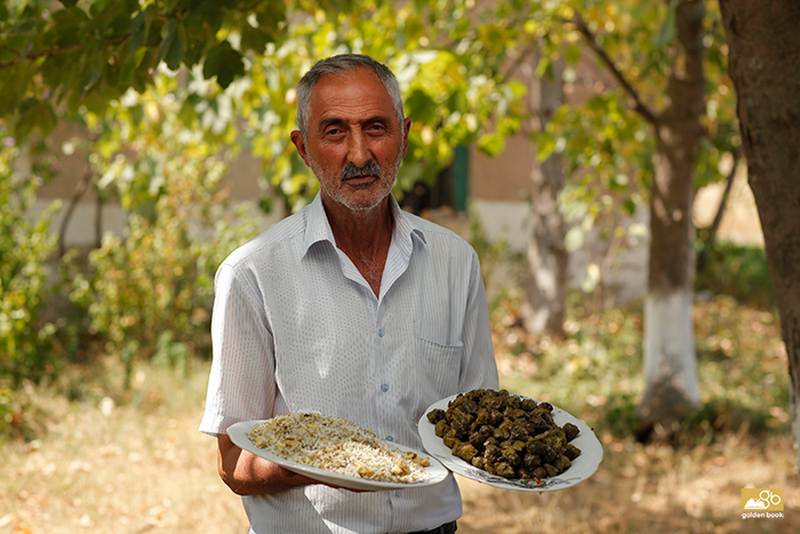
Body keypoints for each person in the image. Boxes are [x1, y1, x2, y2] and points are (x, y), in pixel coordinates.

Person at [199, 54, 499, 534]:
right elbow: (233, 462)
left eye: (376, 128)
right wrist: (330, 464)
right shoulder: (252, 272)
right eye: (335, 131)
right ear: (303, 147)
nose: (360, 155)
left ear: (403, 134)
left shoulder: (455, 262)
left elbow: (479, 417)